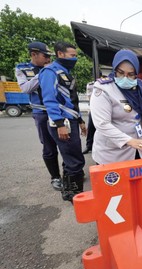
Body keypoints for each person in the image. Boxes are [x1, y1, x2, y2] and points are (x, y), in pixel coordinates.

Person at [90, 49, 142, 165]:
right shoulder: (103, 88)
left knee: (140, 181)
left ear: (136, 73)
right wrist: (129, 140)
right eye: (120, 73)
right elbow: (102, 124)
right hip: (112, 153)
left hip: (139, 149)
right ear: (114, 70)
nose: (125, 78)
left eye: (130, 74)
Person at [39, 41, 86, 202]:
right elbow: (49, 100)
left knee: (70, 159)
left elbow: (72, 100)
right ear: (60, 54)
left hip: (71, 120)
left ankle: (68, 192)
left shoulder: (65, 71)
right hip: (63, 122)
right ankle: (75, 195)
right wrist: (59, 124)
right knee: (75, 160)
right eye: (72, 55)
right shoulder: (50, 72)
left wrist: (80, 120)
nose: (75, 58)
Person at [15, 41, 63, 191]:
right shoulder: (23, 68)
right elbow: (26, 88)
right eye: (45, 56)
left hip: (58, 111)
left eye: (49, 56)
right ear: (34, 54)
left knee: (65, 144)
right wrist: (44, 73)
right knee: (49, 148)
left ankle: (71, 173)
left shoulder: (54, 68)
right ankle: (55, 177)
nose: (48, 59)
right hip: (41, 113)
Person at [82, 81, 96, 154]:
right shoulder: (91, 85)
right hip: (94, 108)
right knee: (91, 127)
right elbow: (89, 97)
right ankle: (89, 145)